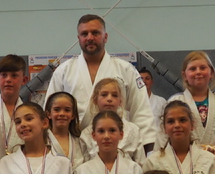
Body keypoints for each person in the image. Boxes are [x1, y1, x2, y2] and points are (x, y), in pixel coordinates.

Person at [45, 14, 156, 150]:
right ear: (78, 38)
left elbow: (141, 111)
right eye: (84, 34)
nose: (90, 37)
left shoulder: (126, 69)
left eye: (95, 33)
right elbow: (49, 111)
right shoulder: (64, 71)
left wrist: (146, 146)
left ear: (105, 37)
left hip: (118, 145)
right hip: (74, 145)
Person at [167, 51, 215, 171]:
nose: (198, 72)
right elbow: (165, 136)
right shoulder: (175, 102)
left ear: (211, 73)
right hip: (184, 161)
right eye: (193, 69)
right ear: (184, 75)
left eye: (203, 68)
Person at [83, 78, 145, 163]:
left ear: (120, 101)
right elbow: (82, 167)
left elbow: (141, 164)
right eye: (104, 95)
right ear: (95, 100)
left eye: (114, 95)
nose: (109, 99)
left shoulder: (133, 131)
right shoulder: (86, 134)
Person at [0, 54, 28, 174]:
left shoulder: (30, 114)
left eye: (14, 75)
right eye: (4, 75)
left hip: (21, 170)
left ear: (24, 80)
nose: (8, 80)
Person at [45, 91, 90, 170]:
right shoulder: (42, 141)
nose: (62, 114)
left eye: (67, 110)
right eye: (57, 109)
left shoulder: (80, 141)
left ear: (73, 115)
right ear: (49, 114)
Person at [139, 67, 166, 133]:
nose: (144, 81)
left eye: (147, 78)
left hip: (157, 137)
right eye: (141, 79)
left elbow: (166, 124)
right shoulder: (131, 103)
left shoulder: (161, 101)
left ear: (152, 82)